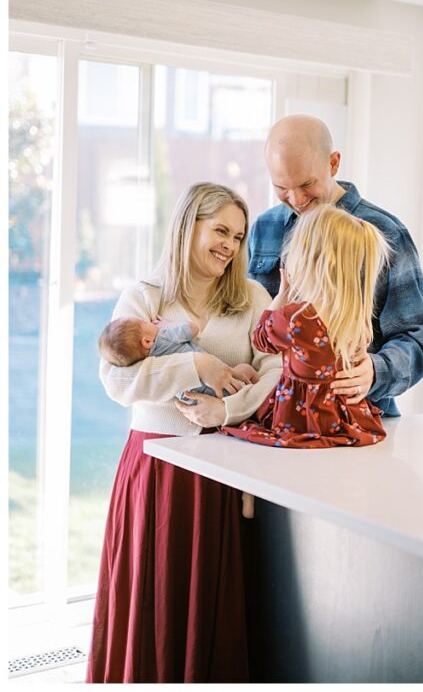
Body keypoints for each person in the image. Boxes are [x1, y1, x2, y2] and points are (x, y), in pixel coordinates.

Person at [89, 183, 282, 683]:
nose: (230, 246)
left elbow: (276, 372)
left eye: (238, 237)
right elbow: (117, 381)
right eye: (220, 230)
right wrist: (195, 363)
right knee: (152, 604)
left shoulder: (252, 299)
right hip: (155, 472)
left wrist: (227, 408)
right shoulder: (143, 296)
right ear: (187, 226)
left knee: (208, 611)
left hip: (225, 477)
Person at [248, 114, 423, 417]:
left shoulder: (386, 233)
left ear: (333, 163)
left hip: (355, 418)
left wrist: (375, 371)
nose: (296, 199)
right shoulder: (264, 228)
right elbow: (247, 322)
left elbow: (417, 337)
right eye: (282, 187)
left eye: (307, 184)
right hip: (275, 416)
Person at [222, 205, 390, 448]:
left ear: (310, 259)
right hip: (346, 422)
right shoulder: (357, 312)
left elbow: (261, 339)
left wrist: (282, 296)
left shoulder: (295, 318)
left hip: (302, 422)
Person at [97, 316, 255, 402]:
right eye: (145, 322)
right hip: (223, 385)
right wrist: (170, 324)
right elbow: (193, 328)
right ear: (146, 342)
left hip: (191, 398)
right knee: (245, 370)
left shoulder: (146, 360)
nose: (149, 321)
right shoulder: (164, 336)